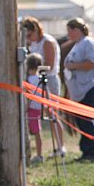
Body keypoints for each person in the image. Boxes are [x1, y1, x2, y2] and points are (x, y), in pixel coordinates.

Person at [22, 16, 66, 157]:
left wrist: (33, 69)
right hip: (36, 79)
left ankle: (60, 147)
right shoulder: (32, 43)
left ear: (36, 30)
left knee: (52, 114)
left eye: (29, 35)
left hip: (50, 79)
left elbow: (50, 65)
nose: (28, 38)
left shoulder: (47, 41)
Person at [63, 18, 94, 162]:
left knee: (87, 120)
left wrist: (73, 66)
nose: (68, 34)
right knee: (82, 121)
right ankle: (87, 151)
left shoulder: (88, 43)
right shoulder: (78, 44)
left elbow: (93, 63)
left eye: (69, 30)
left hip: (89, 87)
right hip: (79, 89)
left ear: (76, 29)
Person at [25, 52, 44, 164]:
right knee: (37, 132)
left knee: (33, 132)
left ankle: (37, 154)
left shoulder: (28, 80)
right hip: (38, 108)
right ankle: (39, 153)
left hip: (30, 109)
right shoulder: (40, 79)